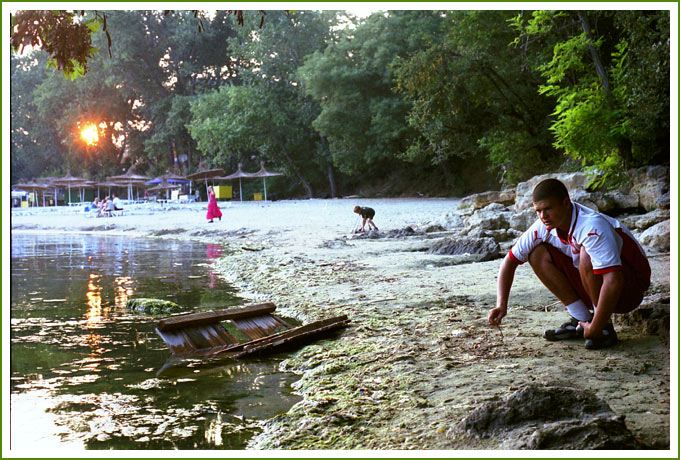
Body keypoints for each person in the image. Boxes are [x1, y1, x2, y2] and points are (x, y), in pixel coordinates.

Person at [488, 178, 650, 350]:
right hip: (599, 285)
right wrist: (501, 305)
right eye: (538, 211)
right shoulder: (543, 225)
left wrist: (596, 327)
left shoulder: (591, 226)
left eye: (548, 209)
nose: (543, 216)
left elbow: (614, 280)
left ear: (566, 203)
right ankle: (581, 319)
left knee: (584, 254)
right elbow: (509, 262)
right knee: (536, 254)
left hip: (629, 290)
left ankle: (602, 327)